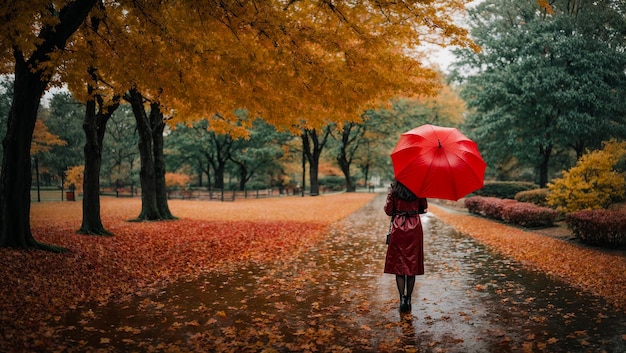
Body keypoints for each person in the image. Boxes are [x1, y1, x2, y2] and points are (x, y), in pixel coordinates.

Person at [383, 180, 428, 313]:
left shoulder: (394, 188)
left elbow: (388, 210)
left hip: (398, 227)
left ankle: (401, 298)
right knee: (412, 264)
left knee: (399, 264)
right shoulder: (419, 187)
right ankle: (408, 298)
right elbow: (423, 208)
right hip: (414, 229)